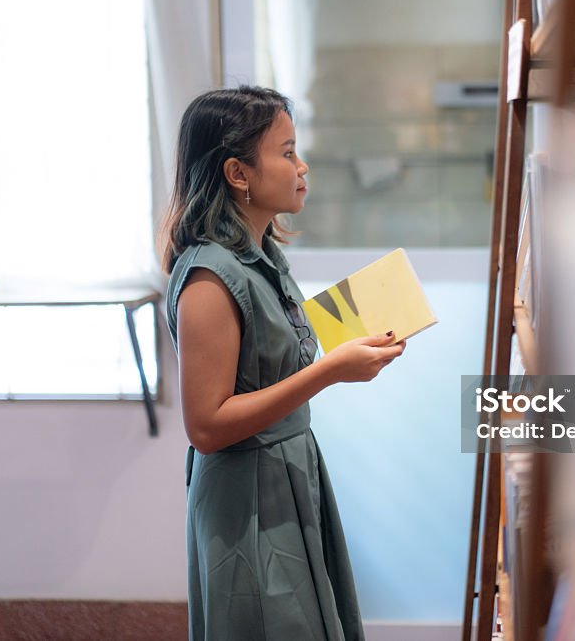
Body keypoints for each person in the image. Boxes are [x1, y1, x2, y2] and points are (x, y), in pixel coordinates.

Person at [158, 86, 405, 640]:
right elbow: (206, 425)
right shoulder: (208, 278)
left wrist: (350, 340)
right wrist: (329, 371)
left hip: (290, 475)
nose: (302, 166)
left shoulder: (264, 255)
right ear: (238, 174)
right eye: (287, 151)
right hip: (247, 496)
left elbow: (270, 355)